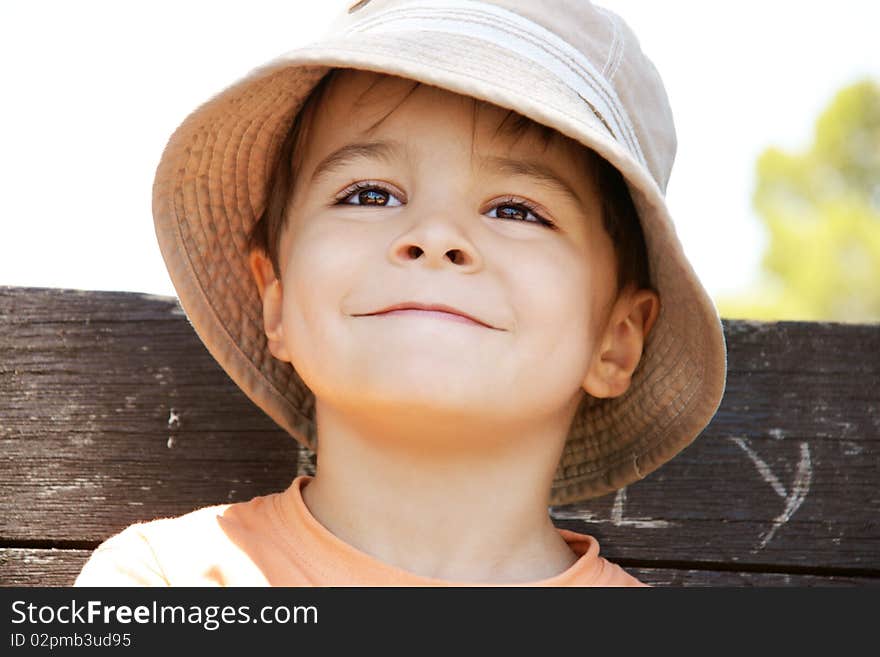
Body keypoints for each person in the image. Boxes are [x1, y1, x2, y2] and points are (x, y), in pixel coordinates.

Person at [74, 0, 727, 587]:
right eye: (368, 194)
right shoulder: (166, 580)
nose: (435, 235)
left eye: (517, 210)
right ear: (275, 301)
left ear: (617, 339)